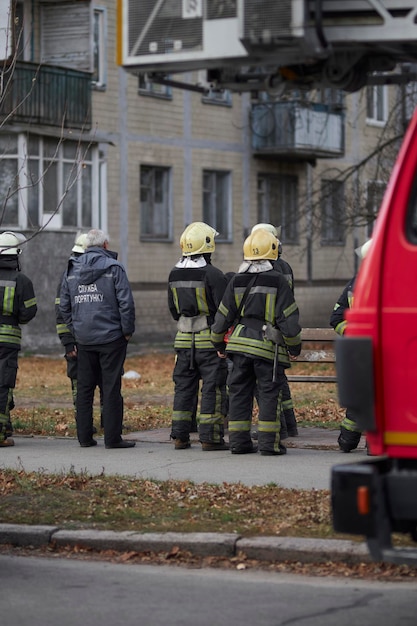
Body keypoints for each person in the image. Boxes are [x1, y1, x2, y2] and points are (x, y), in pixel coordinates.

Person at [211, 228, 302, 455]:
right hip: (267, 348)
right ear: (272, 251)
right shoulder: (278, 281)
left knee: (240, 393)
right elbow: (288, 319)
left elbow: (223, 316)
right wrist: (294, 346)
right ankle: (269, 445)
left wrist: (218, 344)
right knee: (269, 393)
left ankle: (239, 443)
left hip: (239, 346)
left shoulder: (237, 280)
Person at [59, 229, 136, 449]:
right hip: (112, 338)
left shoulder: (72, 269)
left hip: (84, 339)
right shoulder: (114, 267)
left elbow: (64, 306)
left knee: (84, 389)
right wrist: (127, 331)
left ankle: (84, 438)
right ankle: (112, 439)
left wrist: (76, 330)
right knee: (110, 388)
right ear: (105, 245)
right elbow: (126, 303)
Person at [168, 221, 228, 451]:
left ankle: (180, 437)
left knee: (183, 388)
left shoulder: (173, 274)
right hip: (209, 343)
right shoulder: (214, 275)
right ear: (208, 245)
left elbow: (173, 310)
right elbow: (223, 311)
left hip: (183, 341)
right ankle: (210, 439)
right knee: (212, 389)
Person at [250, 223, 298, 438]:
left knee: (267, 384)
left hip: (265, 331)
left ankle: (279, 429)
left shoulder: (267, 269)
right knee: (279, 380)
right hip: (281, 329)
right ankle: (290, 425)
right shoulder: (285, 267)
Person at [55, 233, 103, 431]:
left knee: (105, 382)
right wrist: (68, 342)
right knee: (80, 386)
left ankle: (108, 422)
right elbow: (60, 313)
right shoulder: (68, 277)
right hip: (78, 343)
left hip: (97, 340)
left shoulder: (101, 274)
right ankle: (84, 425)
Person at [330, 238, 372, 452]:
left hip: (358, 351)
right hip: (383, 350)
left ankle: (347, 442)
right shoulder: (392, 280)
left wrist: (352, 332)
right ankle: (374, 446)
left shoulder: (354, 284)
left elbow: (336, 318)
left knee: (361, 398)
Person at [0, 231, 37, 447]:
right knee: (3, 385)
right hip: (8, 341)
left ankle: (6, 427)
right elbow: (29, 312)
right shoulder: (22, 281)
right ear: (16, 255)